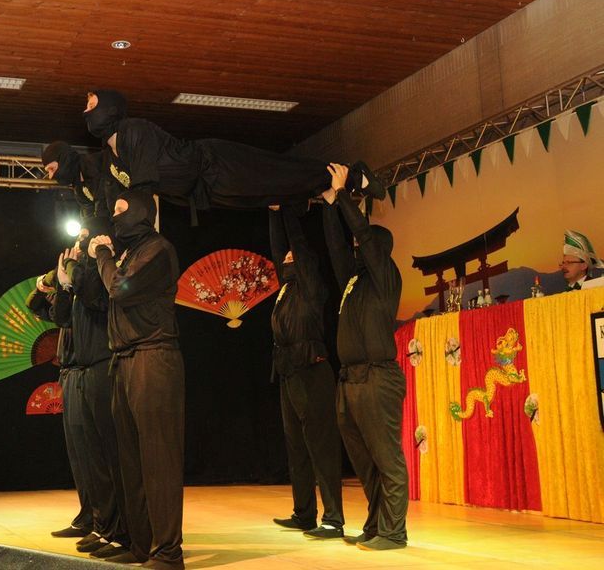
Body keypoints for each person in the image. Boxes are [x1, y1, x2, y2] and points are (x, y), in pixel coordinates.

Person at [82, 90, 386, 221]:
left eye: (92, 104)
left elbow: (142, 190)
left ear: (110, 107)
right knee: (267, 196)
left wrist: (135, 232)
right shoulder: (111, 159)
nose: (86, 110)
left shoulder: (134, 130)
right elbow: (117, 199)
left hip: (214, 163)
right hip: (205, 191)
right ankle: (312, 192)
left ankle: (354, 174)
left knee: (278, 172)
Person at [88, 190, 184, 569]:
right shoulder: (128, 253)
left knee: (159, 458)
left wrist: (103, 255)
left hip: (153, 357)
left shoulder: (158, 250)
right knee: (131, 461)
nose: (114, 217)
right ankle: (143, 546)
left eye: (121, 210)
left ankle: (168, 551)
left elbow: (120, 289)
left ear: (142, 212)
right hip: (125, 359)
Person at [322, 163, 408, 551]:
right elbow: (336, 248)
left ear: (378, 250)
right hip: (350, 379)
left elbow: (364, 237)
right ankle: (376, 524)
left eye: (364, 246)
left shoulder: (386, 276)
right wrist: (330, 206)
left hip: (377, 377)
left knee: (386, 457)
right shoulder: (354, 281)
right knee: (364, 460)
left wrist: (345, 195)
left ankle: (394, 531)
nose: (357, 248)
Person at [52, 218, 130, 559]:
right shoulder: (82, 276)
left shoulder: (103, 272)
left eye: (85, 237)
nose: (79, 244)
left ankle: (119, 528)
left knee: (108, 454)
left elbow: (98, 299)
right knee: (88, 455)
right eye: (79, 238)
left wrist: (74, 271)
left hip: (103, 365)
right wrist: (62, 285)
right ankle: (101, 523)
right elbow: (61, 318)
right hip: (81, 369)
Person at [267, 205, 345, 540]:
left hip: (312, 370)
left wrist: (287, 212)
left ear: (304, 262)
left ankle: (334, 519)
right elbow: (277, 249)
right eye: (284, 257)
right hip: (288, 371)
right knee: (296, 445)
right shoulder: (286, 288)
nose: (286, 257)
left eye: (292, 256)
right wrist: (273, 215)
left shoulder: (311, 287)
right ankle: (304, 514)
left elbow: (296, 244)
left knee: (321, 445)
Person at [25, 269, 95, 540]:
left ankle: (101, 518)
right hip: (68, 373)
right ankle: (87, 515)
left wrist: (68, 284)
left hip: (85, 371)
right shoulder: (67, 299)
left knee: (90, 451)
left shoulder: (90, 298)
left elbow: (62, 314)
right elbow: (35, 305)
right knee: (78, 453)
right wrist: (47, 281)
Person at [41, 142, 114, 219]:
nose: (50, 176)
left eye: (52, 169)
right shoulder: (78, 187)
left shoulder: (96, 164)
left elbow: (105, 200)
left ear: (64, 159)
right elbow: (88, 213)